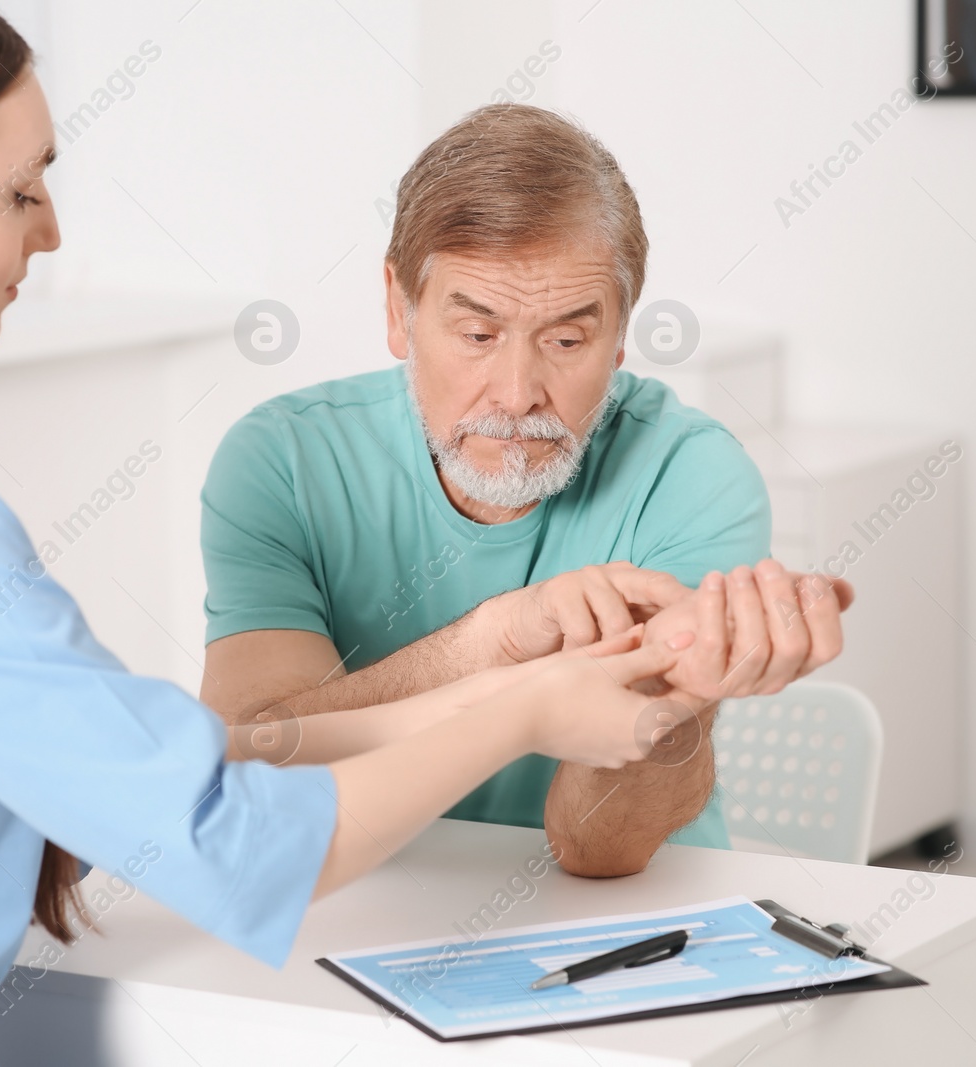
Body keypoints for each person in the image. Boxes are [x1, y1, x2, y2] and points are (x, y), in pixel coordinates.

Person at [0, 4, 716, 1065]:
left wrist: (490, 673)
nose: (50, 228)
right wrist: (527, 710)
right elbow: (230, 839)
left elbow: (124, 759)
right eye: (22, 188)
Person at [199, 104, 854, 876]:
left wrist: (675, 702)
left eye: (567, 340)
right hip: (349, 901)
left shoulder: (695, 479)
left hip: (615, 924)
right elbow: (247, 763)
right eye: (477, 335)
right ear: (397, 310)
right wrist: (494, 641)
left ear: (619, 338)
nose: (516, 394)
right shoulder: (283, 461)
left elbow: (595, 848)